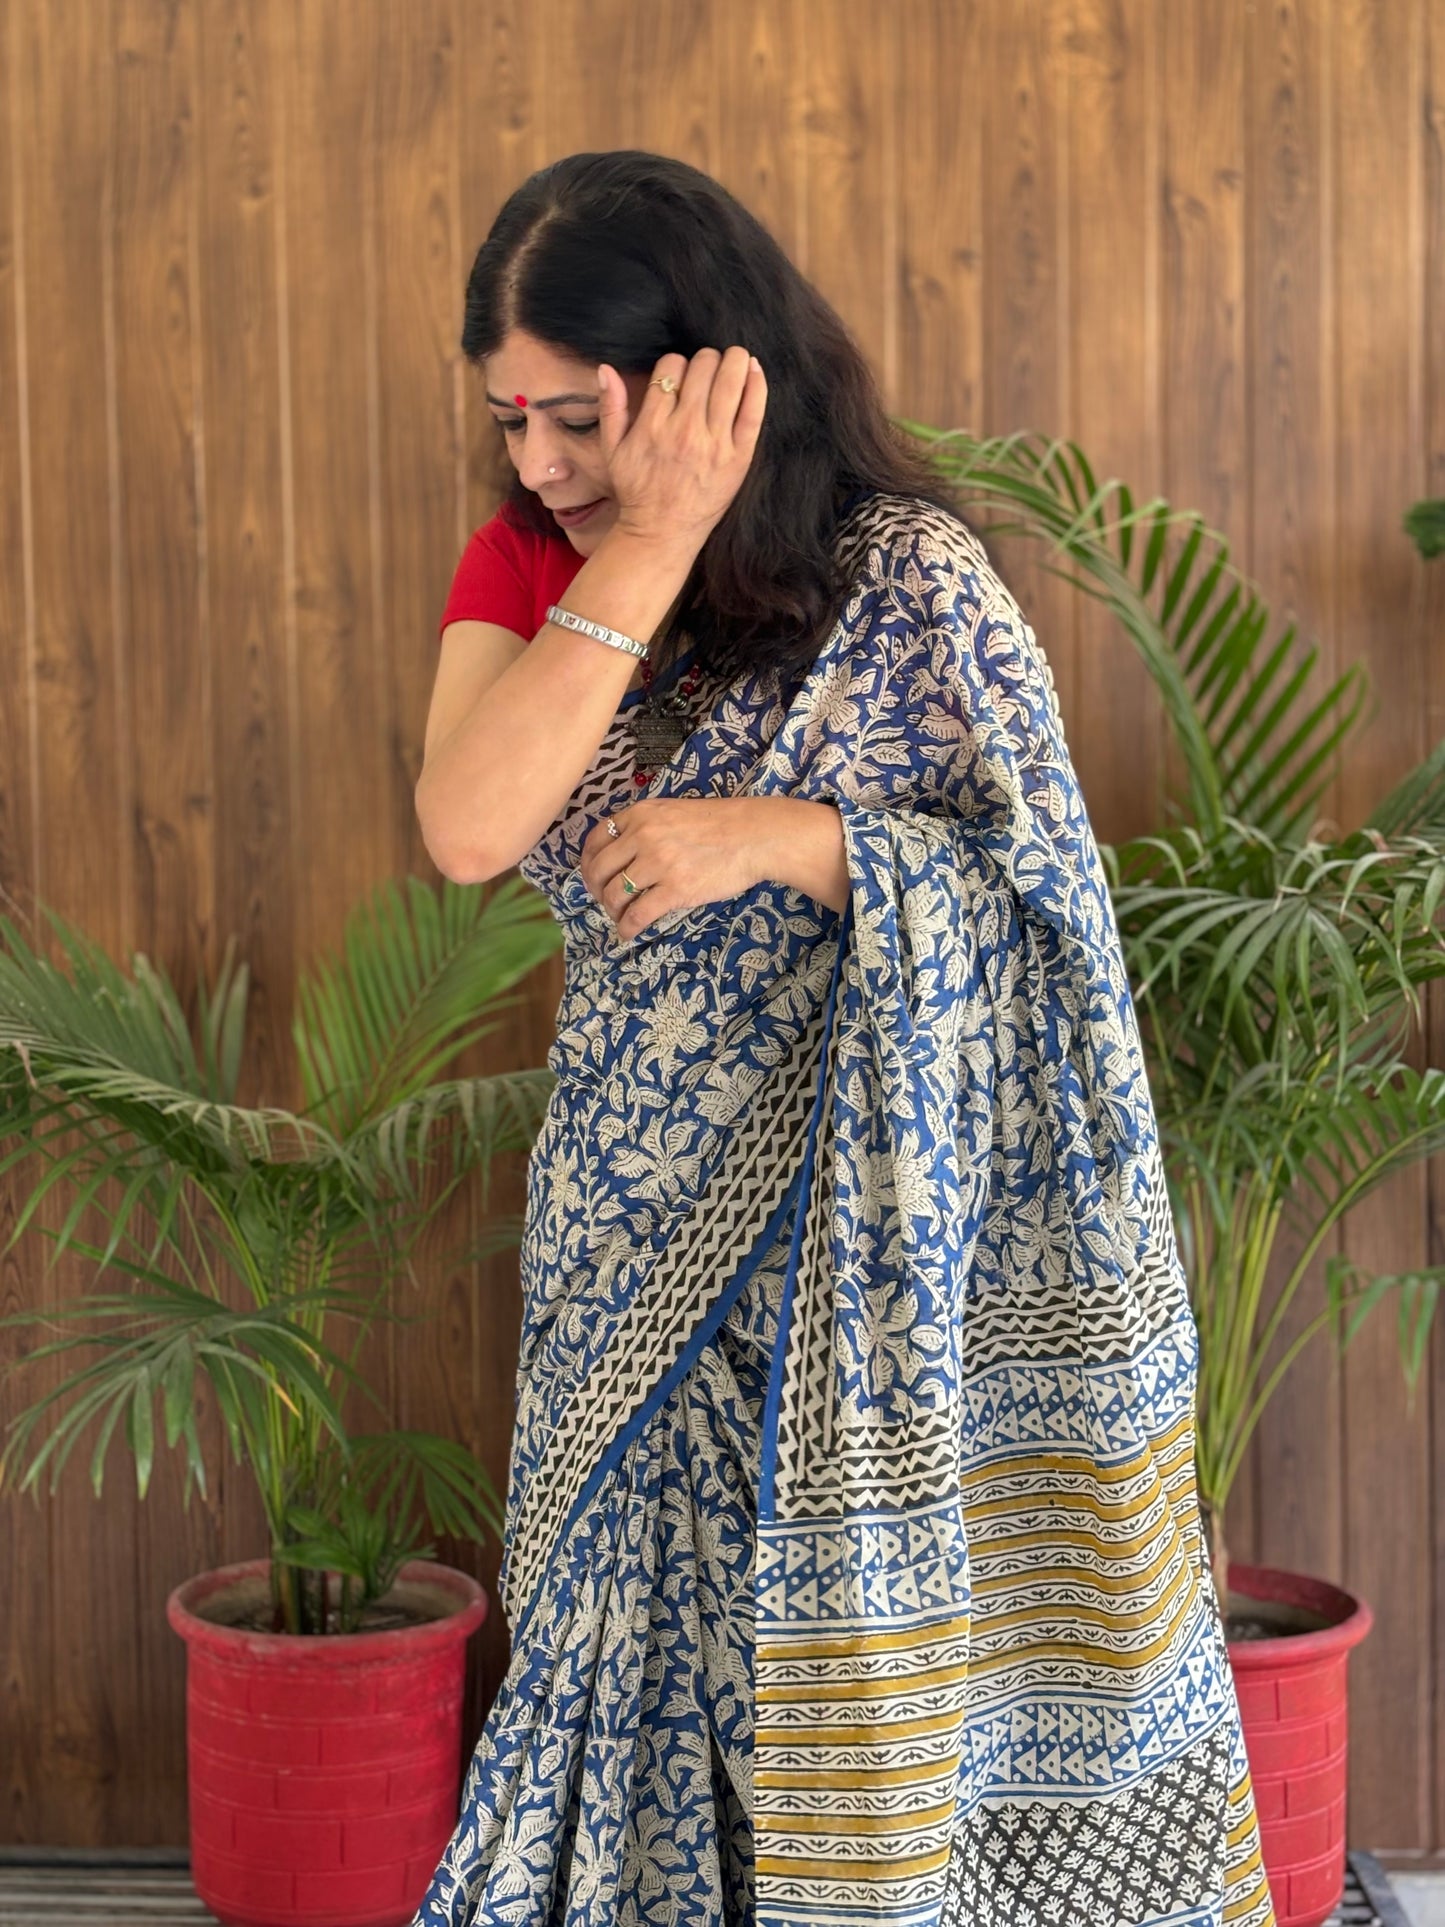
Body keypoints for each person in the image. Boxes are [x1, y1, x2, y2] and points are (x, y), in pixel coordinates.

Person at [412, 151, 1274, 1927]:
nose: (535, 463)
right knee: (619, 1636)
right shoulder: (534, 561)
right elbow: (469, 822)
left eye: (572, 416)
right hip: (628, 1250)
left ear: (704, 375)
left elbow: (1046, 911)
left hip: (864, 1269)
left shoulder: (913, 579)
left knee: (850, 1693)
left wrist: (800, 840)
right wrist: (640, 539)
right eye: (509, 417)